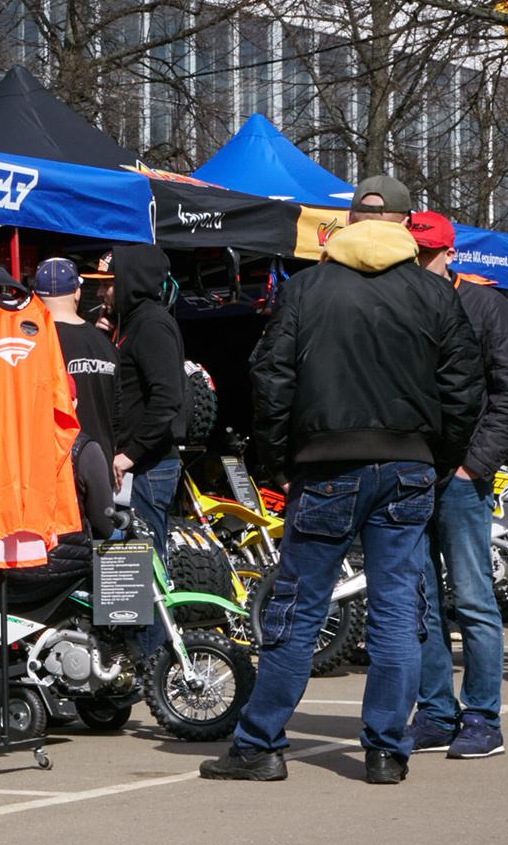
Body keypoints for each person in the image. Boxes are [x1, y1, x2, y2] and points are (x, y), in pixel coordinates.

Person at [203, 172, 483, 785]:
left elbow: (270, 379)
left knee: (299, 609)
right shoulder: (435, 294)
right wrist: (435, 459)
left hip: (326, 464)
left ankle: (259, 744)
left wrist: (277, 458)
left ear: (352, 221)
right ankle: (386, 749)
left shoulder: (308, 289)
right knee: (397, 612)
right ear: (407, 226)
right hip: (407, 465)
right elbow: (465, 389)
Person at [402, 212, 508, 760]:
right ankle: (435, 712)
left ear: (449, 253)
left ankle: (482, 716)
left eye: (426, 253)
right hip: (410, 471)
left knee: (472, 597)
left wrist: (474, 466)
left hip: (460, 476)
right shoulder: (403, 300)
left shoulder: (483, 304)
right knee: (420, 600)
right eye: (412, 251)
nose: (418, 262)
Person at [104, 244, 185, 559]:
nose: (102, 292)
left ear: (130, 281)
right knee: (131, 563)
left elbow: (168, 397)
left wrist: (130, 455)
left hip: (148, 467)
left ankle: (156, 613)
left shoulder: (151, 324)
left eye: (109, 283)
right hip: (137, 466)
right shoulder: (131, 322)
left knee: (145, 562)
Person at [34, 257, 122, 448]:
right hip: (101, 464)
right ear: (77, 293)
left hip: (57, 466)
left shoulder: (33, 344)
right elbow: (118, 415)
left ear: (37, 297)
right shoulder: (105, 344)